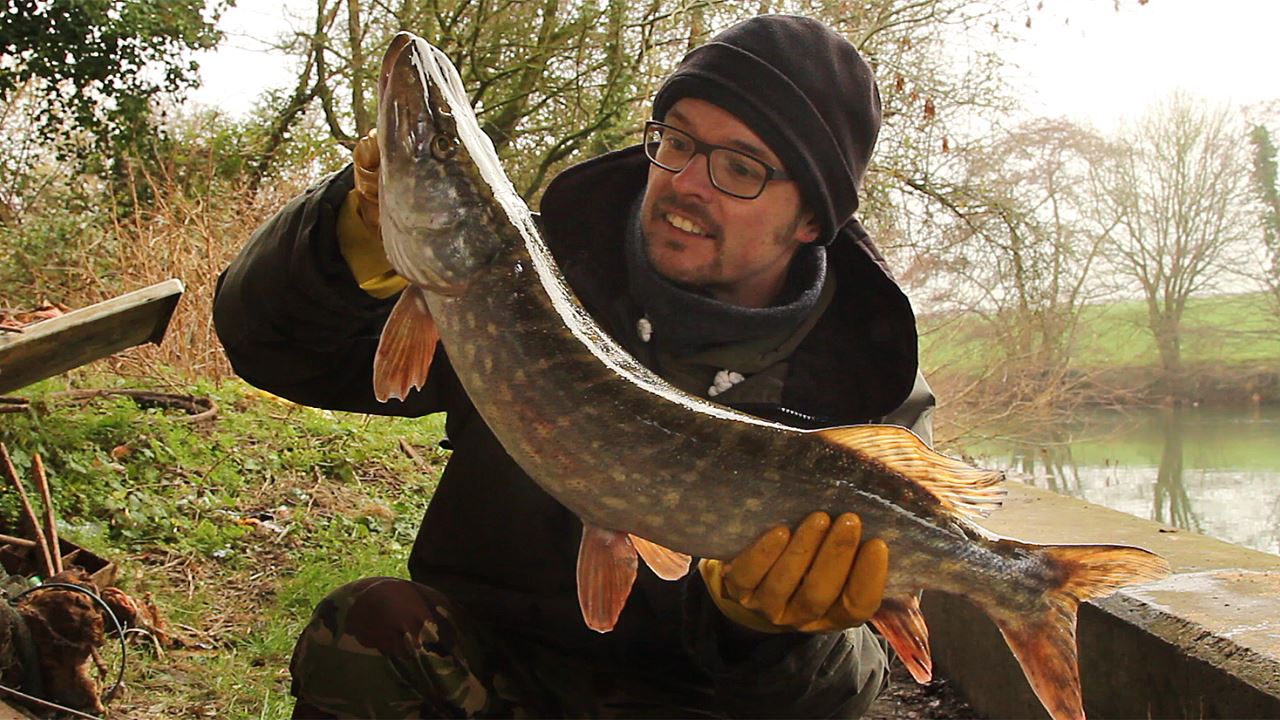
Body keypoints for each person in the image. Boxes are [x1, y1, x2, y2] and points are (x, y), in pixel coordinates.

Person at [214, 14, 935, 719]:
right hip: (500, 667)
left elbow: (846, 690)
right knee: (368, 628)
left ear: (813, 219)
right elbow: (275, 347)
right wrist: (353, 233)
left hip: (699, 702)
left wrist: (765, 634)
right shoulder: (525, 282)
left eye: (740, 168)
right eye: (676, 141)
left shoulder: (865, 387)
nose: (687, 181)